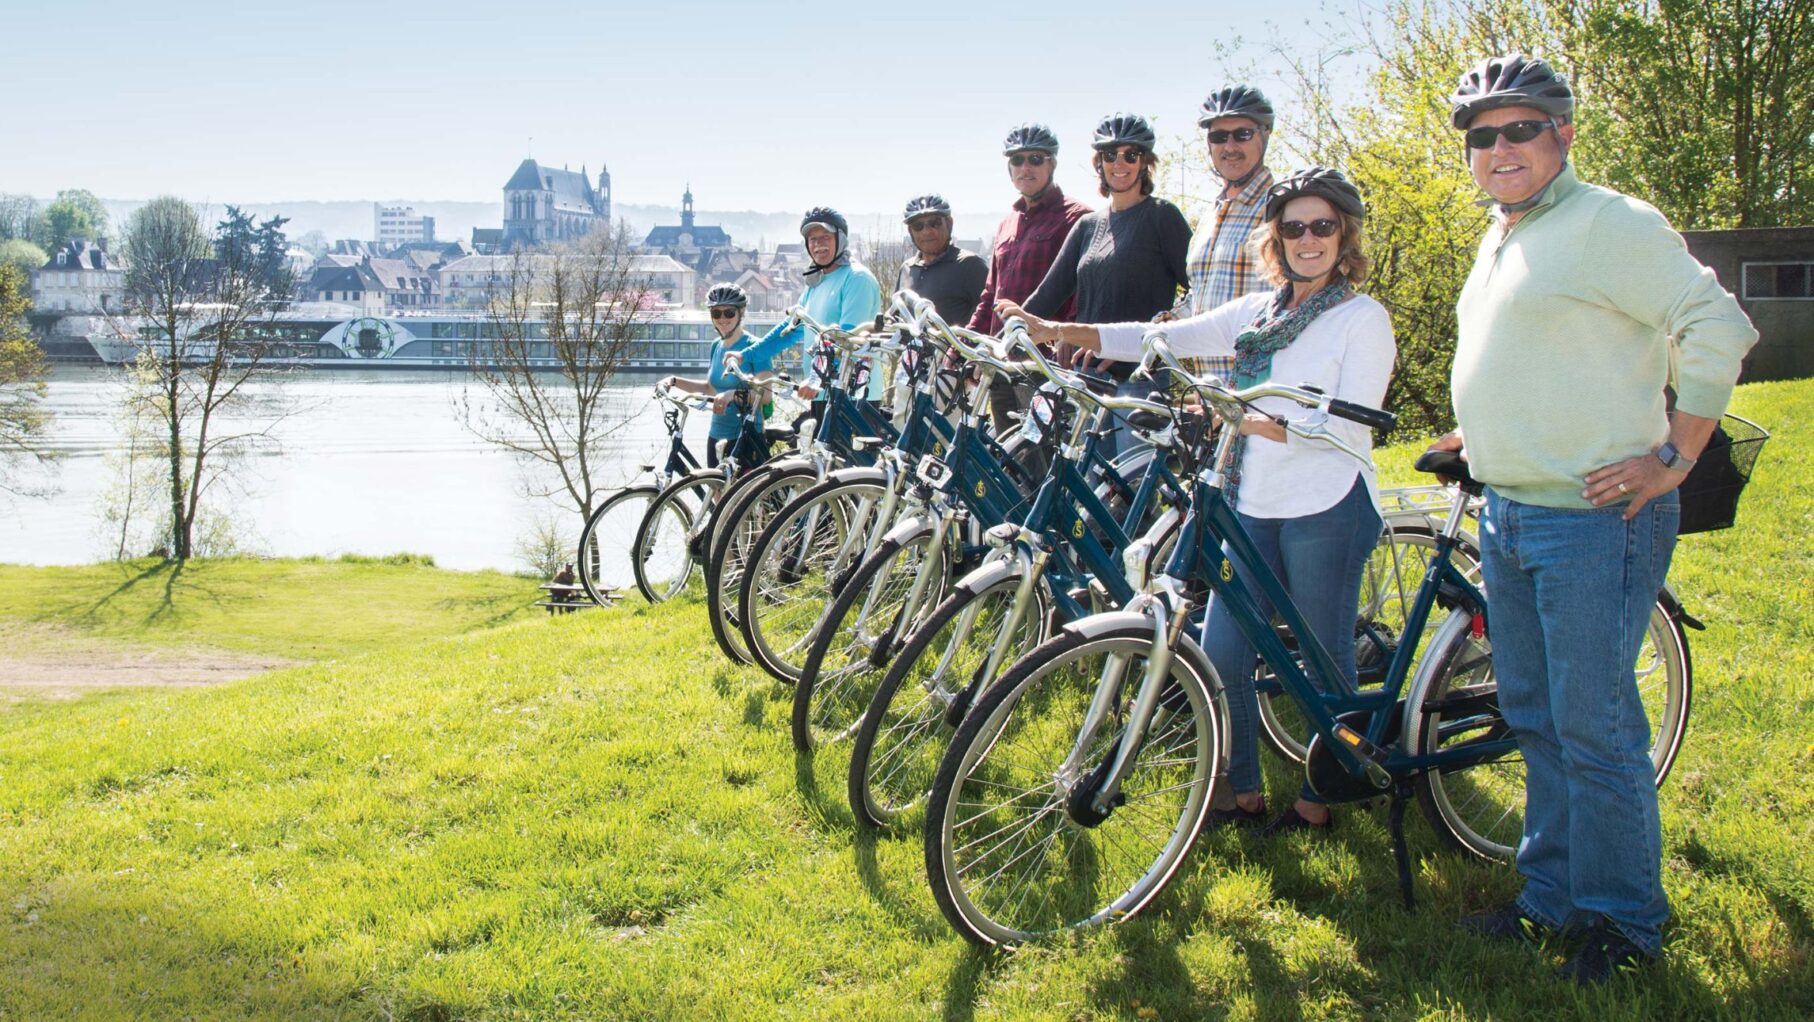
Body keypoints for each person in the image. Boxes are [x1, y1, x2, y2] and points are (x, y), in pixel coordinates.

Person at [1432, 54, 1756, 984]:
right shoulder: (1505, 234)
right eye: (1482, 135)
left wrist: (1675, 458)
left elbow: (1719, 327)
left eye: (1520, 127)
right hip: (1511, 512)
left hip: (1594, 520)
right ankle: (1551, 899)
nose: (1500, 147)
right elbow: (1541, 352)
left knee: (1595, 724)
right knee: (1533, 714)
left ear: (1563, 133)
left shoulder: (1611, 222)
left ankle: (1624, 923)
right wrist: (1482, 425)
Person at [1001, 167, 1394, 835]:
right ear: (1275, 238)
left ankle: (1318, 800)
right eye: (1293, 227)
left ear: (1344, 236)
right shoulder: (1259, 314)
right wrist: (1055, 329)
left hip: (1325, 503)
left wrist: (1239, 417)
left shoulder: (1362, 319)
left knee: (1326, 657)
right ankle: (1238, 791)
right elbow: (1157, 338)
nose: (1307, 239)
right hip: (1250, 500)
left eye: (1322, 226)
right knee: (1223, 657)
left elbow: (1345, 428)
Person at [1022, 112, 1191, 455]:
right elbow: (1048, 295)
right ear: (1098, 163)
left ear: (1146, 162)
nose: (1120, 164)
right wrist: (1000, 338)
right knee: (1092, 488)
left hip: (1139, 380)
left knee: (1133, 489)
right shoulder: (1088, 226)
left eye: (1131, 155)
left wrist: (1162, 327)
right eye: (1110, 155)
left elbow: (1197, 289)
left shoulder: (1162, 217)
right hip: (1089, 379)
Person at [967, 123, 1092, 435]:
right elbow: (990, 296)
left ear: (1052, 164)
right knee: (1007, 463)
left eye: (1036, 159)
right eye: (1017, 160)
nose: (1026, 167)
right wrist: (962, 347)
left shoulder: (1078, 217)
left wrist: (1071, 336)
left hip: (1045, 363)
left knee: (1041, 460)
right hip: (1001, 360)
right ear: (1009, 168)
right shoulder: (1006, 224)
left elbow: (1085, 287)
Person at [726, 207, 883, 400]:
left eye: (825, 237)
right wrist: (745, 355)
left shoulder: (857, 279)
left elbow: (847, 339)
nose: (818, 245)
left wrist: (816, 378)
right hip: (822, 392)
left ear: (840, 239)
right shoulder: (816, 282)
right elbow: (790, 329)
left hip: (855, 395)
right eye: (813, 239)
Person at [1185, 85, 1279, 379]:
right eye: (1218, 136)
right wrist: (1147, 335)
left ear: (1265, 134)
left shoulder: (1282, 209)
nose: (1229, 146)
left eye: (1242, 134)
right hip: (1210, 398)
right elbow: (1196, 300)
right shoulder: (1210, 217)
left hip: (1261, 398)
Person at [662, 284, 766, 468]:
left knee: (742, 496)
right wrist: (674, 381)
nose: (722, 318)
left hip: (746, 435)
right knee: (716, 494)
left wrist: (732, 395)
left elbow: (765, 396)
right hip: (717, 433)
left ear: (741, 312)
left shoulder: (755, 347)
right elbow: (709, 388)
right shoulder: (716, 346)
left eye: (729, 313)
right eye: (716, 313)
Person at [897, 194, 987, 327]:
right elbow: (896, 317)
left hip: (956, 347)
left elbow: (989, 319)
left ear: (949, 223)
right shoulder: (907, 268)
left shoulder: (970, 265)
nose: (927, 231)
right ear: (910, 231)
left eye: (935, 223)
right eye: (918, 226)